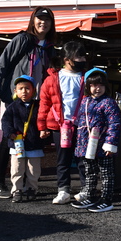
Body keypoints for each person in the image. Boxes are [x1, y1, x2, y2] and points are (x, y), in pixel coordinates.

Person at [0, 6, 56, 199]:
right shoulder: (23, 39)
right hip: (14, 98)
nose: (43, 22)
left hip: (37, 102)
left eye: (47, 19)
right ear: (33, 20)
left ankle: (25, 185)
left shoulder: (50, 47)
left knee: (31, 139)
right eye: (39, 18)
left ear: (52, 24)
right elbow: (2, 64)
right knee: (9, 138)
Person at [37, 41, 87, 205]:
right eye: (79, 56)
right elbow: (44, 103)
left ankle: (86, 189)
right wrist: (42, 126)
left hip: (82, 126)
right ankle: (63, 190)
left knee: (83, 159)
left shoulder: (86, 77)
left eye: (83, 55)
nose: (82, 59)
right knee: (62, 159)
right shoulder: (51, 79)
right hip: (59, 126)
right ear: (67, 58)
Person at [71, 68, 121, 212]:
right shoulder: (85, 101)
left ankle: (107, 198)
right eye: (93, 85)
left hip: (103, 145)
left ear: (106, 86)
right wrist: (79, 144)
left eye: (100, 85)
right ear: (88, 86)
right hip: (87, 145)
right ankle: (90, 195)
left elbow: (115, 123)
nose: (97, 88)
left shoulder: (109, 103)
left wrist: (110, 143)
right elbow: (81, 123)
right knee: (90, 171)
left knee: (106, 173)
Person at [1, 75, 44, 203]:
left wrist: (45, 131)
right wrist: (9, 133)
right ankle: (17, 190)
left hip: (34, 143)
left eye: (27, 88)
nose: (24, 91)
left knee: (33, 169)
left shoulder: (38, 106)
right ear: (16, 91)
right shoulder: (12, 107)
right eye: (20, 89)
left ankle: (32, 189)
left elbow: (43, 120)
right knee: (16, 168)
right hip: (17, 143)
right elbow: (5, 121)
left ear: (33, 91)